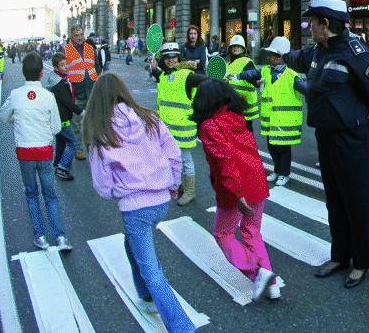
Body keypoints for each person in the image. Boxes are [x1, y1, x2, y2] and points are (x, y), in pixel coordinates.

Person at [284, 0, 369, 288]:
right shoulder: (318, 52)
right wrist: (276, 53)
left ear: (326, 24)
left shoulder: (353, 53)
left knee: (356, 202)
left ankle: (360, 263)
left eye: (312, 22)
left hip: (352, 139)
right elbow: (297, 58)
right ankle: (340, 256)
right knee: (334, 200)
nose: (308, 27)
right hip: (327, 136)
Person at [85, 73, 196, 332]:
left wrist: (120, 192)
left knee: (152, 270)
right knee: (131, 241)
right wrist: (172, 185)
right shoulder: (149, 118)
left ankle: (182, 327)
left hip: (135, 207)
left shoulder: (101, 130)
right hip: (161, 200)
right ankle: (145, 295)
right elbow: (174, 153)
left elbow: (102, 183)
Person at [191, 79, 281, 301]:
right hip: (257, 181)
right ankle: (272, 284)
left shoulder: (209, 126)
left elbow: (225, 162)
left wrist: (236, 193)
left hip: (235, 189)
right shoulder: (236, 117)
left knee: (223, 234)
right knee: (252, 231)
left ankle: (257, 272)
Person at [0, 53, 72, 251]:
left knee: (31, 194)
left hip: (25, 152)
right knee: (50, 194)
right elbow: (57, 127)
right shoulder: (48, 97)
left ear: (24, 73)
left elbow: (4, 116)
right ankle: (60, 237)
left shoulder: (15, 95)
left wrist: (19, 119)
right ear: (42, 73)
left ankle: (40, 236)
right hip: (44, 150)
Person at [149, 42, 207, 206]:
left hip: (183, 129)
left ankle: (189, 191)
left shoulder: (187, 76)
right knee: (172, 159)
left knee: (186, 160)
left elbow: (206, 80)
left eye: (174, 56)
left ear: (179, 57)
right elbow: (158, 74)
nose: (171, 60)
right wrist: (153, 68)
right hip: (168, 129)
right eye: (167, 57)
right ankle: (180, 186)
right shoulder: (165, 76)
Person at [259, 37, 307, 187]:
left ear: (281, 57)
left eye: (272, 55)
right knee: (272, 147)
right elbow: (253, 76)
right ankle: (276, 170)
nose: (269, 57)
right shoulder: (266, 71)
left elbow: (308, 90)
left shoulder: (293, 76)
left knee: (283, 149)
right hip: (270, 120)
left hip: (285, 122)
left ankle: (284, 173)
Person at [43, 53, 84, 181]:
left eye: (66, 64)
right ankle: (62, 167)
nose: (66, 67)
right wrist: (82, 112)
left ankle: (57, 163)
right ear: (55, 67)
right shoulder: (59, 83)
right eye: (62, 65)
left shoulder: (59, 78)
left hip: (57, 117)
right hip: (61, 118)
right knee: (72, 142)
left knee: (61, 141)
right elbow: (68, 102)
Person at [64, 25, 99, 161]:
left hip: (91, 90)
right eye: (76, 35)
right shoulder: (66, 50)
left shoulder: (90, 48)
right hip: (76, 92)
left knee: (91, 121)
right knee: (76, 123)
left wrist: (96, 78)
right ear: (72, 37)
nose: (79, 37)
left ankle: (91, 144)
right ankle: (78, 148)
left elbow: (96, 65)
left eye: (81, 35)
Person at [224, 34, 260, 131]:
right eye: (234, 46)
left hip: (244, 104)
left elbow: (253, 77)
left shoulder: (246, 61)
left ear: (243, 49)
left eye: (238, 46)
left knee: (246, 133)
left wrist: (256, 81)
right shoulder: (230, 64)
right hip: (233, 104)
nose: (236, 48)